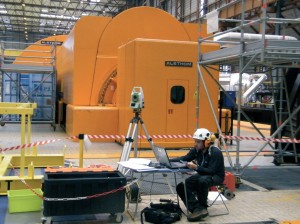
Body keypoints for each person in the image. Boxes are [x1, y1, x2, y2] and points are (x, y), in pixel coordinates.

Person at [170, 128, 225, 222]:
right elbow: (186, 158)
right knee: (181, 186)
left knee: (202, 181)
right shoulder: (197, 149)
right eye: (195, 141)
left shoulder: (216, 152)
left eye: (198, 142)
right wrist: (168, 160)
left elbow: (211, 171)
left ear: (207, 142)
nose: (195, 144)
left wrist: (195, 167)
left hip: (216, 176)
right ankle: (197, 209)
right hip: (203, 174)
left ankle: (203, 207)